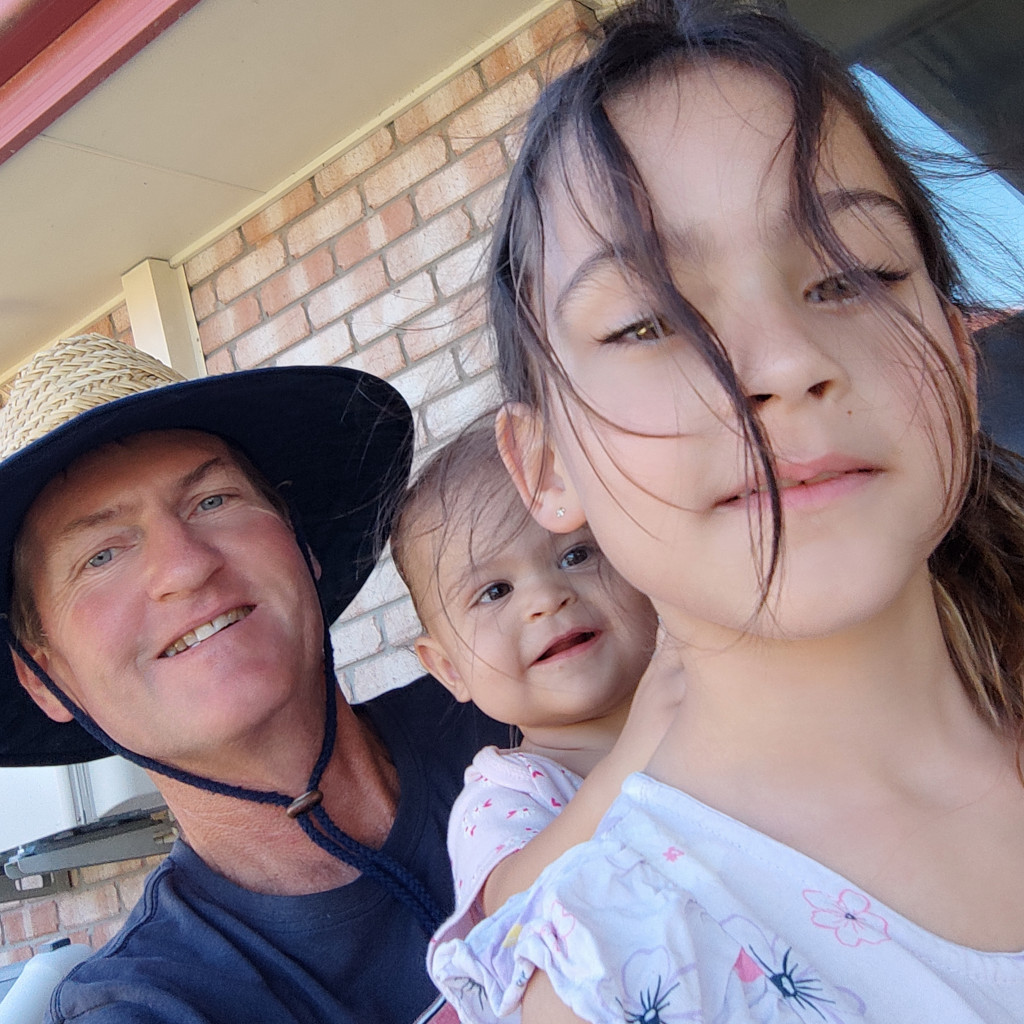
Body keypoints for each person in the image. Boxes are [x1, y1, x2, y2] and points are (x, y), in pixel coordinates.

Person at [429, 1, 1024, 1021]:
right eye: (646, 321)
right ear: (545, 464)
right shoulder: (616, 974)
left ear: (958, 359)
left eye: (851, 275)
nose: (785, 362)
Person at [0, 333, 507, 1024]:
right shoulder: (150, 1005)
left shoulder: (532, 717)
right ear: (42, 675)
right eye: (101, 556)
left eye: (212, 501)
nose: (186, 567)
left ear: (301, 545)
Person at [387, 415, 667, 968]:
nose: (546, 597)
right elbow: (515, 909)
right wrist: (634, 756)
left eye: (577, 554)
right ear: (449, 669)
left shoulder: (714, 690)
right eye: (495, 591)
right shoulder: (506, 796)